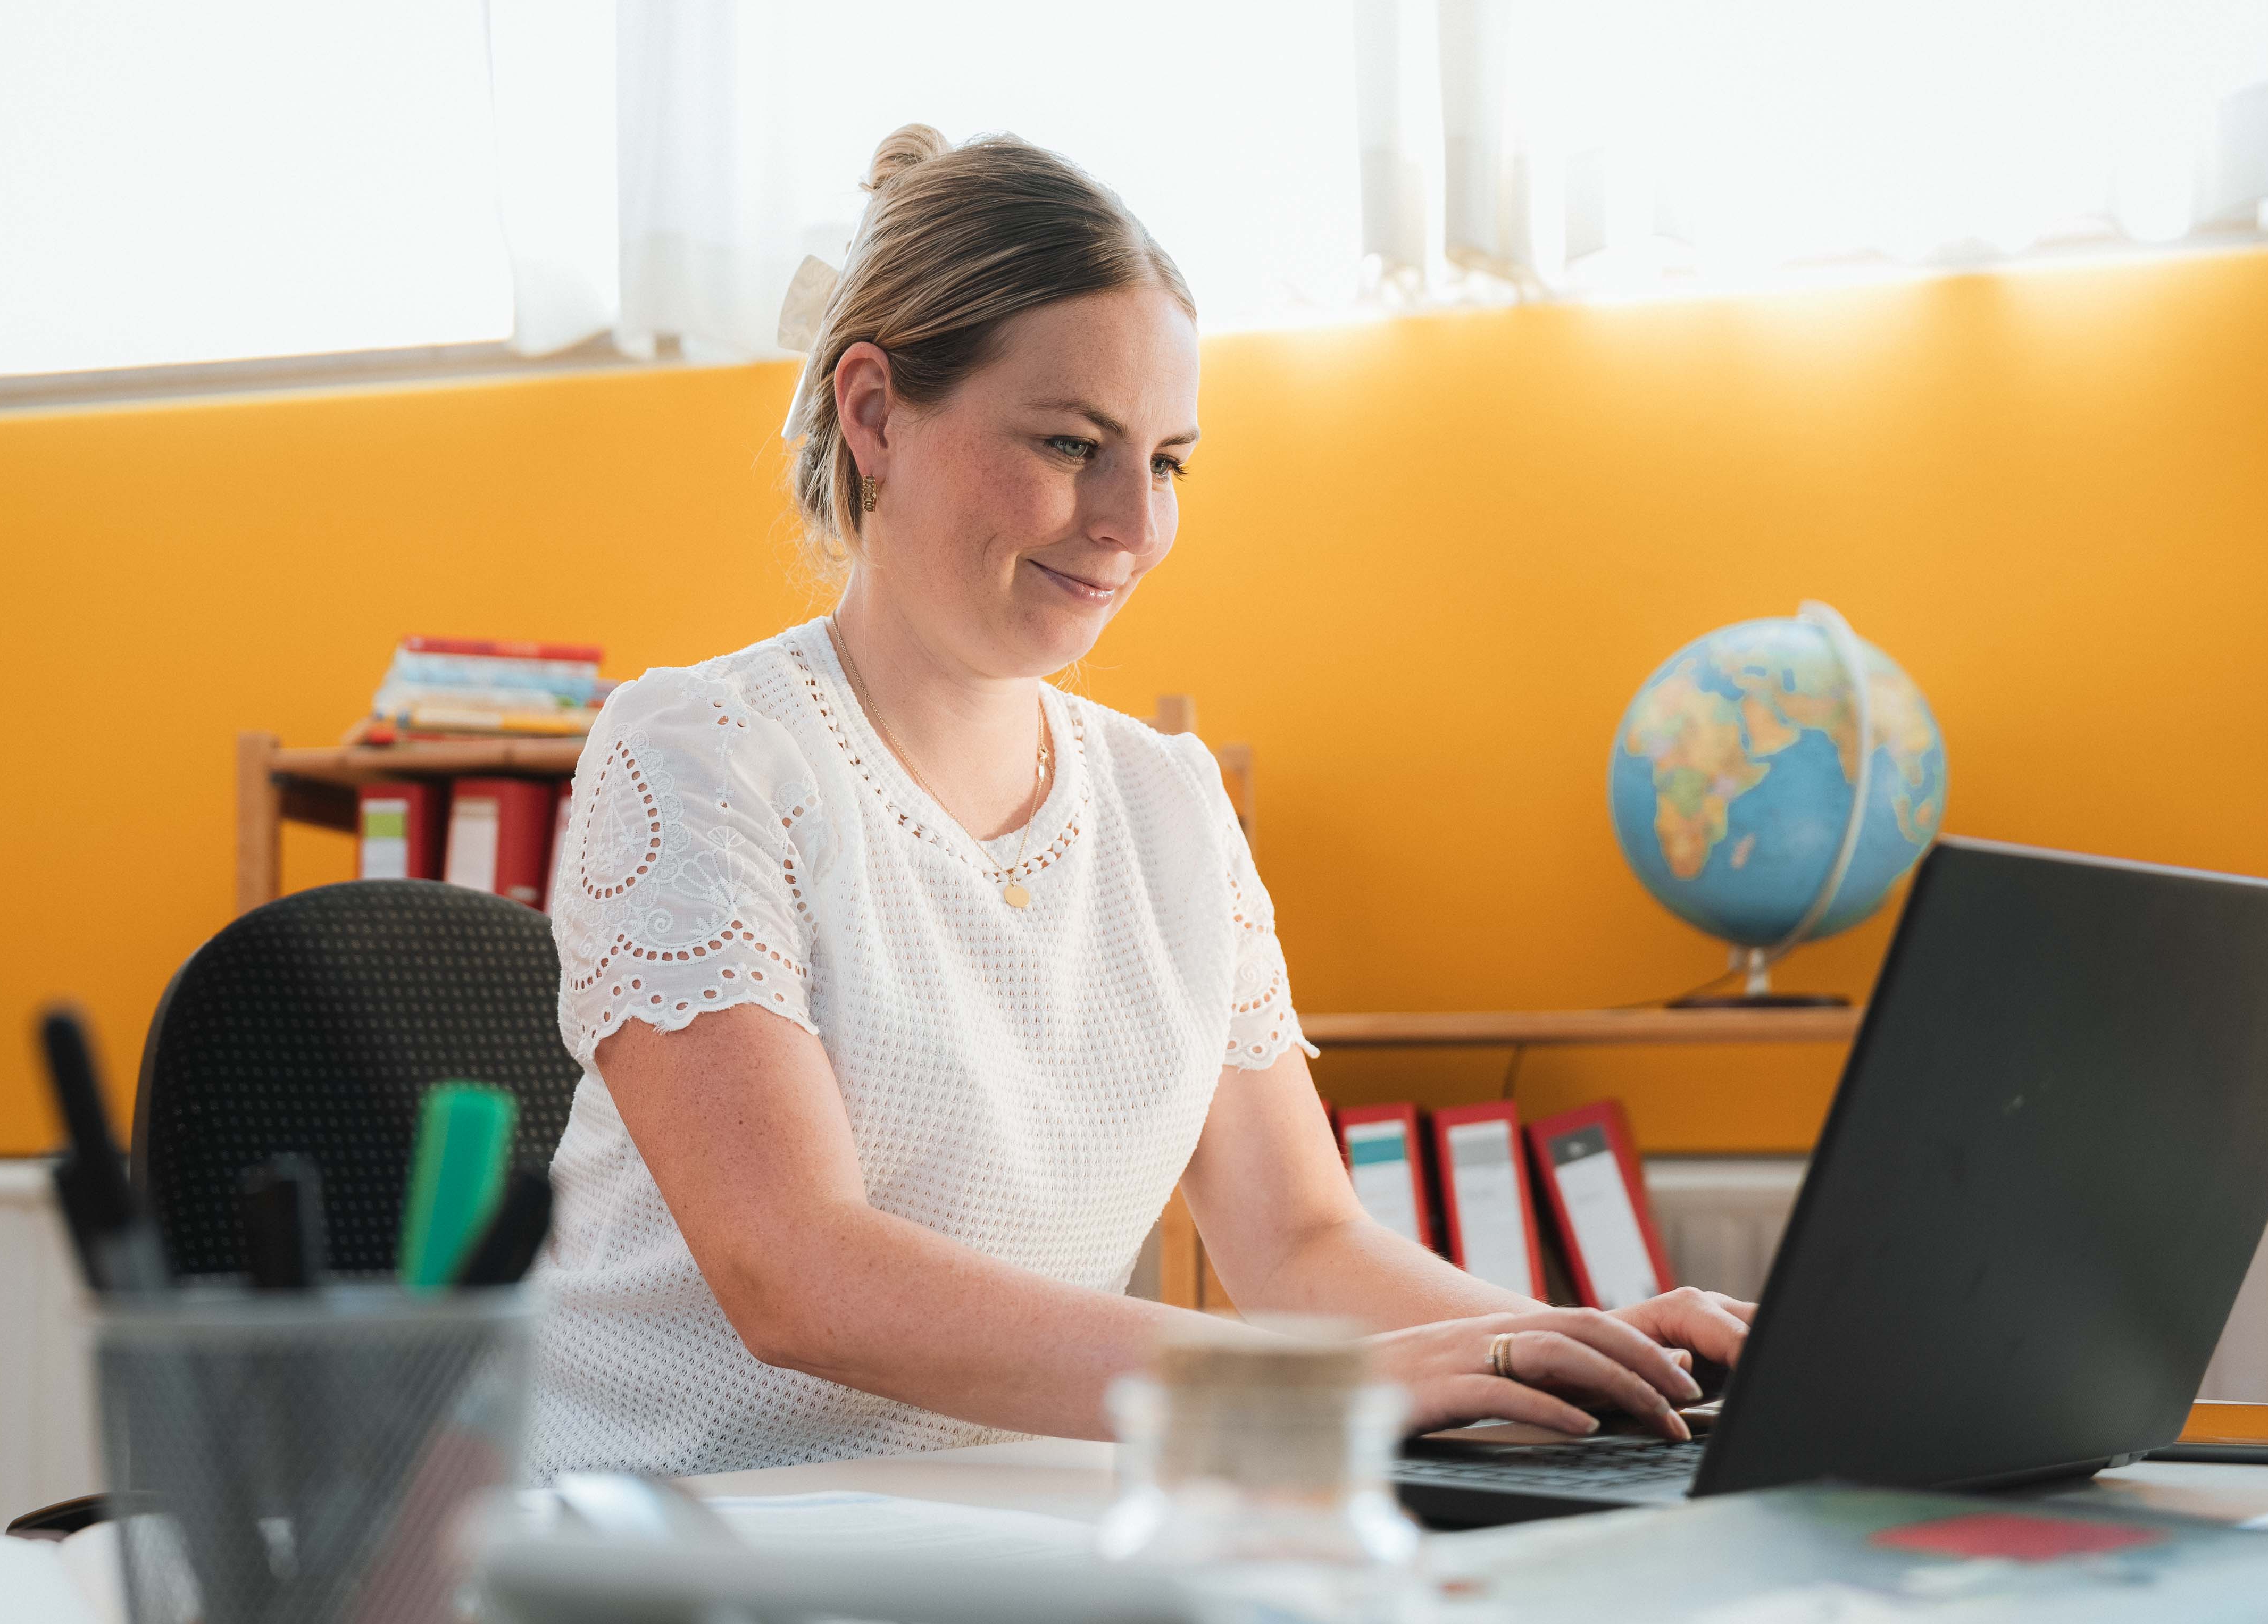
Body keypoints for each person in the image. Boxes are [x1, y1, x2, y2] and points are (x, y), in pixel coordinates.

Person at [533, 124, 1748, 1477]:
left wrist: (1588, 1347)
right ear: (873, 413)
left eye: (1167, 460)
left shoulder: (1169, 800)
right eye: (1071, 443)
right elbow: (797, 1274)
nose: (1131, 522)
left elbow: (1298, 1243)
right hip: (697, 1560)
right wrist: (1315, 1390)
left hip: (1026, 1548)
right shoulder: (704, 753)